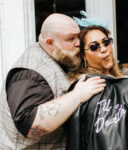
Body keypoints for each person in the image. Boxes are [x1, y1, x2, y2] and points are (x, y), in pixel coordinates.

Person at [0, 13, 106, 149]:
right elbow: (30, 124)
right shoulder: (30, 73)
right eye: (70, 39)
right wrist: (78, 95)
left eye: (78, 36)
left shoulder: (58, 55)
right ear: (50, 43)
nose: (78, 43)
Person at [66, 24, 128, 150]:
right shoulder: (83, 89)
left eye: (106, 42)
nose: (104, 49)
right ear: (83, 56)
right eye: (94, 47)